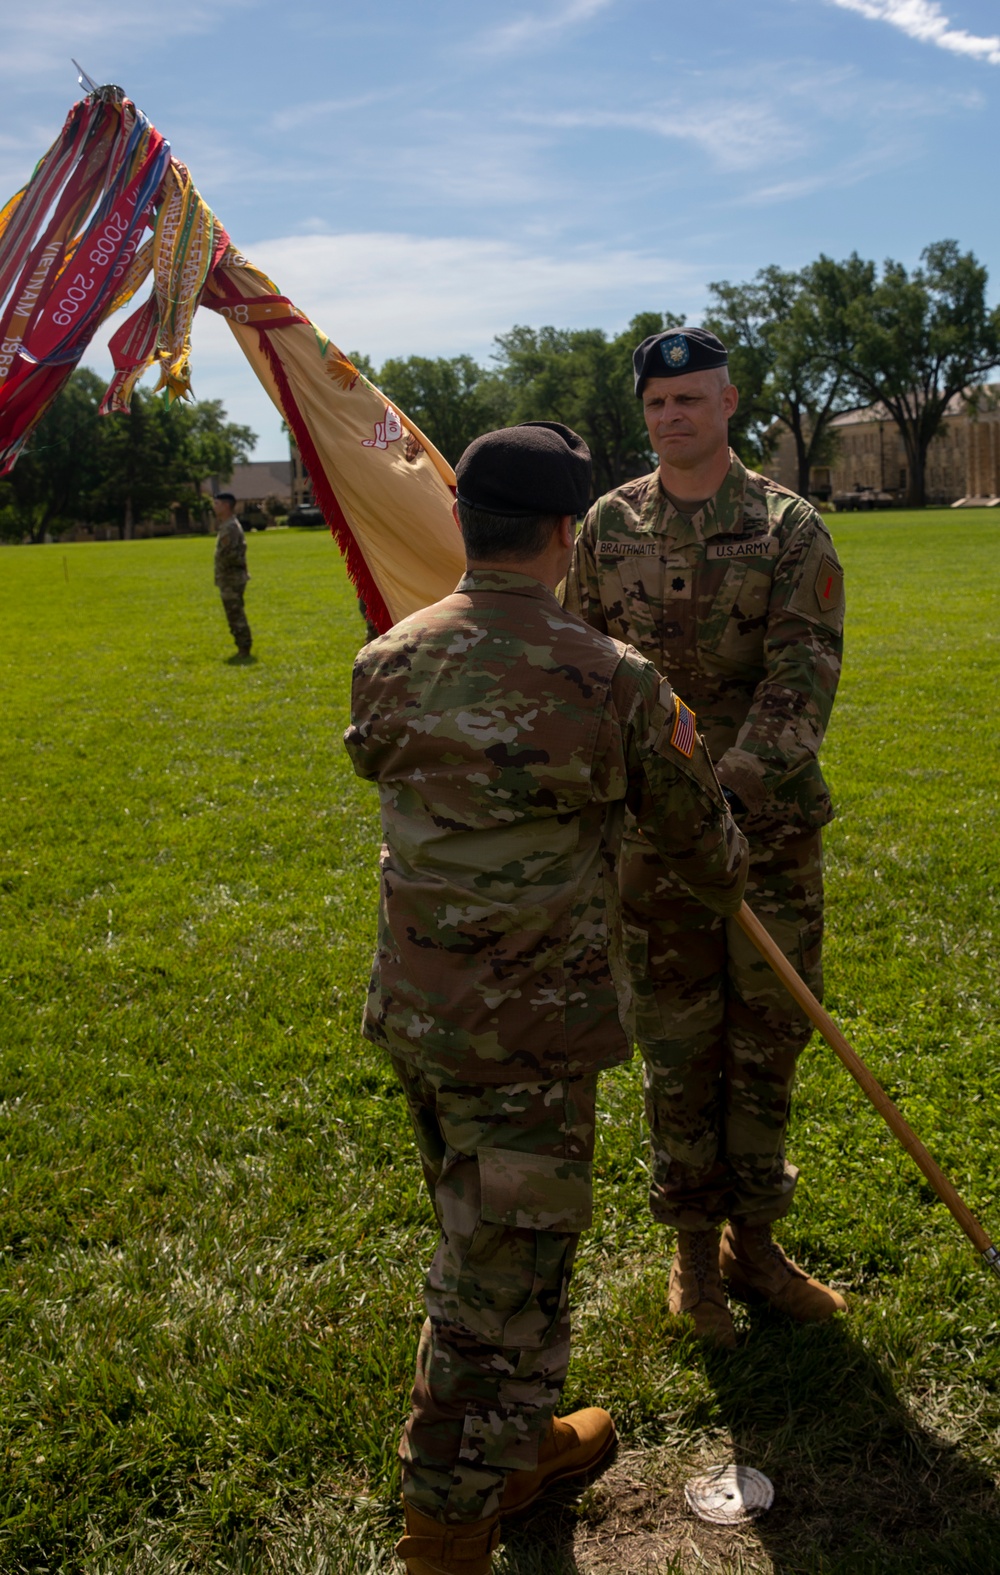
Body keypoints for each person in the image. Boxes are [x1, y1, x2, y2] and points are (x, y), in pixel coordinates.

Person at [345, 421, 748, 1575]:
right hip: (526, 1029)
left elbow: (375, 757)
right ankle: (445, 1525)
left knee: (496, 1237)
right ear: (569, 535)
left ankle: (514, 1448)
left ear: (466, 521)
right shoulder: (611, 680)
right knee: (493, 1273)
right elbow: (699, 841)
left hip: (420, 1014)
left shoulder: (389, 659)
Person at [563, 327, 847, 1349]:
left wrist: (722, 792)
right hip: (651, 848)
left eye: (691, 399)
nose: (673, 416)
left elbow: (802, 672)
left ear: (729, 404)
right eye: (656, 404)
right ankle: (692, 1255)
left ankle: (757, 1246)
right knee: (678, 1045)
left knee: (767, 1037)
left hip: (762, 837)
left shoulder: (786, 527)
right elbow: (582, 661)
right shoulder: (604, 527)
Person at [213, 492, 252, 657]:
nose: (214, 507)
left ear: (225, 506)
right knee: (234, 613)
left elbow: (231, 555)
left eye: (217, 504)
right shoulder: (227, 525)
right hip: (228, 578)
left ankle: (244, 648)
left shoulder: (230, 527)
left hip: (232, 578)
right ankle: (242, 646)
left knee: (235, 614)